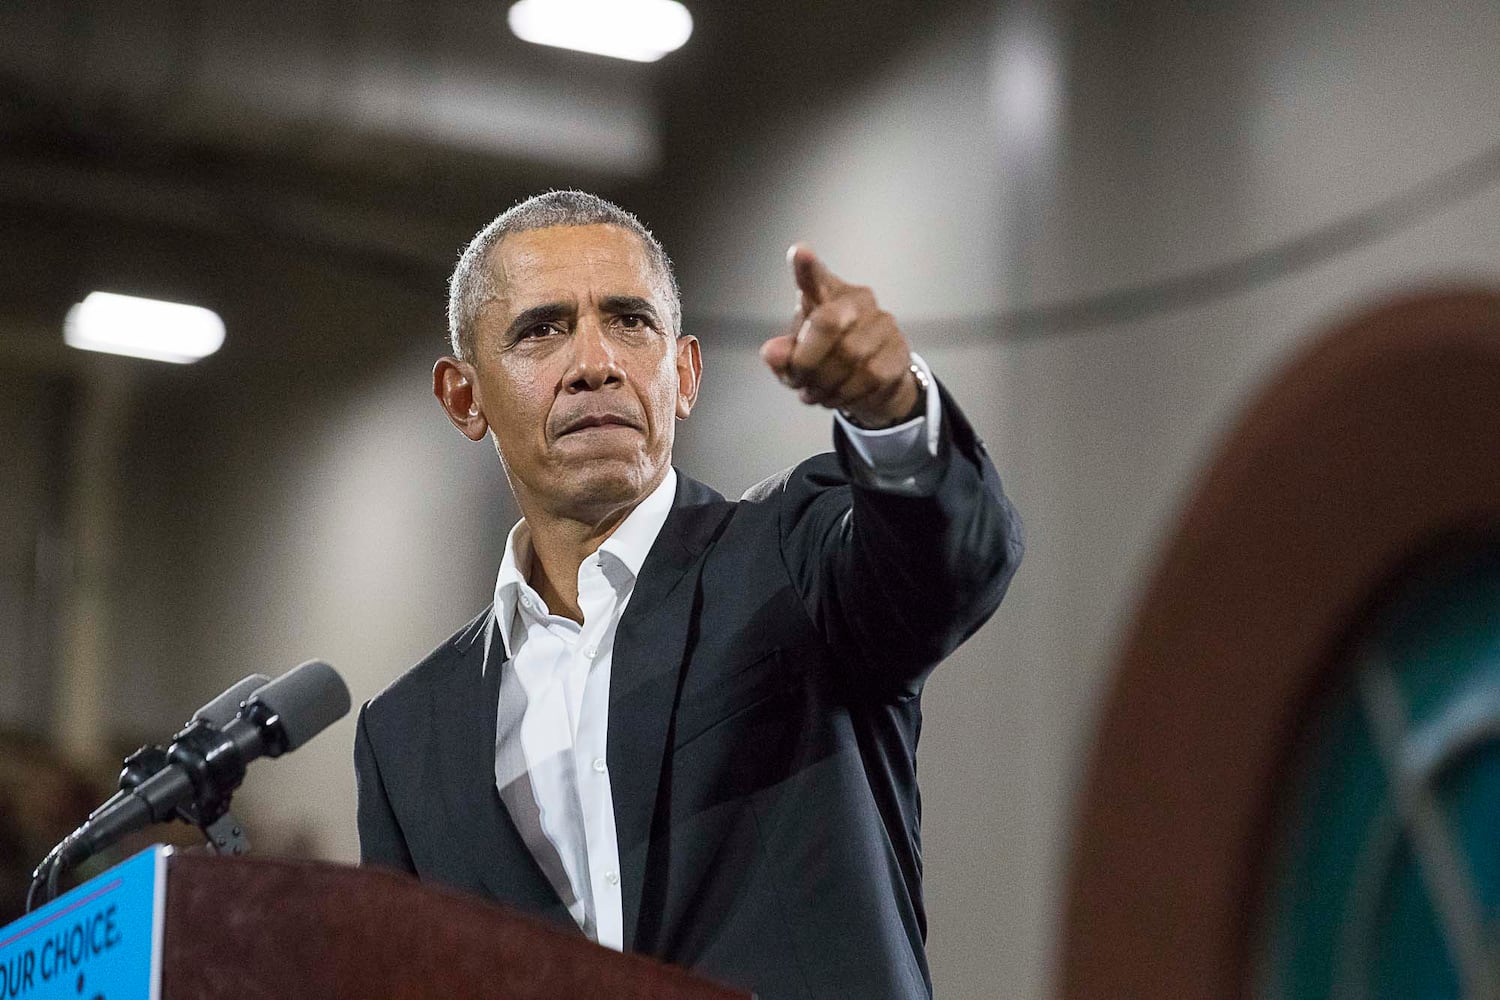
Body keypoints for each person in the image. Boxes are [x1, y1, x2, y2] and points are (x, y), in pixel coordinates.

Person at [354, 190, 1023, 999]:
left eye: (631, 321)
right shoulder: (407, 736)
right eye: (544, 329)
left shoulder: (789, 555)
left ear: (684, 373)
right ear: (465, 397)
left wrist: (893, 415)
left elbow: (946, 567)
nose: (595, 363)